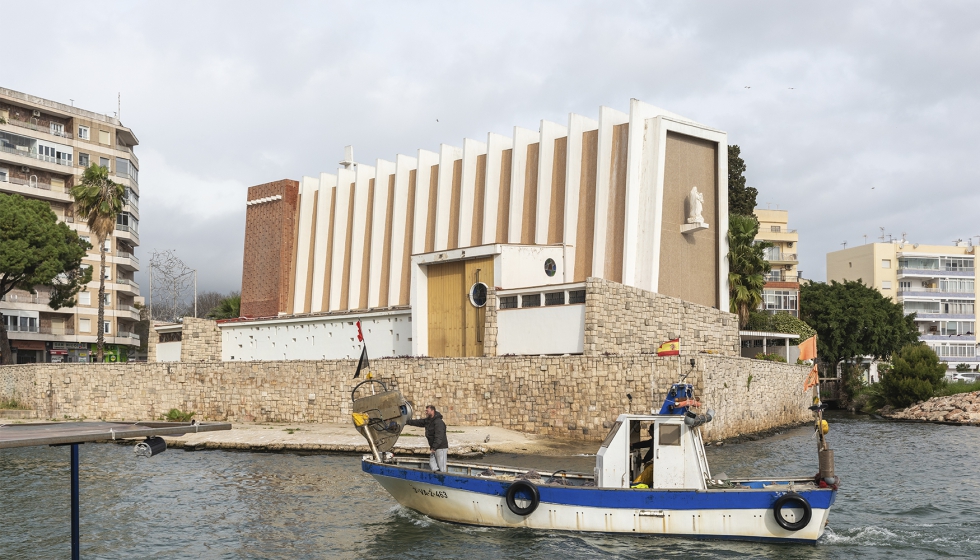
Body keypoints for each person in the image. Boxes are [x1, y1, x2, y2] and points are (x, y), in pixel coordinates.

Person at [407, 404, 448, 472]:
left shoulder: (438, 422)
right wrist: (407, 422)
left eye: (427, 411)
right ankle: (436, 478)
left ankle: (443, 480)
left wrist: (434, 447)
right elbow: (419, 422)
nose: (426, 412)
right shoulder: (428, 421)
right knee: (432, 464)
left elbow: (439, 436)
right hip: (434, 447)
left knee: (442, 467)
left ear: (432, 411)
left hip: (441, 448)